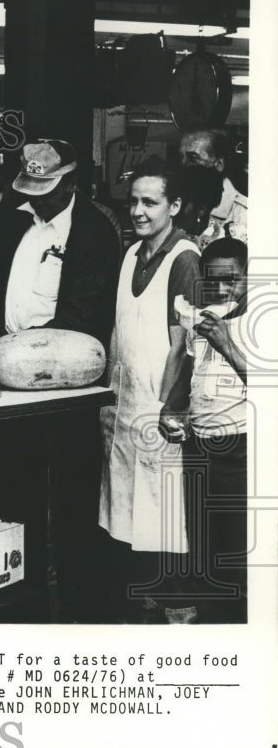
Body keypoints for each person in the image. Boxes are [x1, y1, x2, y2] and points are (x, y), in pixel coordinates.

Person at [98, 156, 201, 623]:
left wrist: (169, 407)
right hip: (124, 402)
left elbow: (185, 347)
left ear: (174, 205)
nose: (138, 211)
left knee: (165, 514)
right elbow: (122, 332)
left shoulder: (186, 261)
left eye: (150, 202)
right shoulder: (129, 254)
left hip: (160, 409)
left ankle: (179, 610)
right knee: (129, 506)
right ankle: (147, 600)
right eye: (133, 200)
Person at [160, 238, 249, 623]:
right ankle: (215, 624)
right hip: (199, 446)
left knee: (240, 549)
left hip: (242, 449)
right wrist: (169, 412)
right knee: (205, 547)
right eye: (212, 281)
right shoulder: (201, 319)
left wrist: (227, 343)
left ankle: (246, 630)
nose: (221, 289)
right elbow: (188, 378)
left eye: (231, 280)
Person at [0, 139, 121, 348]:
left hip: (59, 354)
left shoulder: (95, 232)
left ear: (71, 184)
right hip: (0, 345)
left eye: (47, 194)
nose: (38, 201)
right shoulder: (10, 217)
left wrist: (22, 344)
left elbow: (85, 310)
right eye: (31, 193)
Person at [179, 127, 248, 248]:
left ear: (219, 164)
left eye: (193, 157)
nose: (183, 164)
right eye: (181, 156)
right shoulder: (175, 201)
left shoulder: (244, 214)